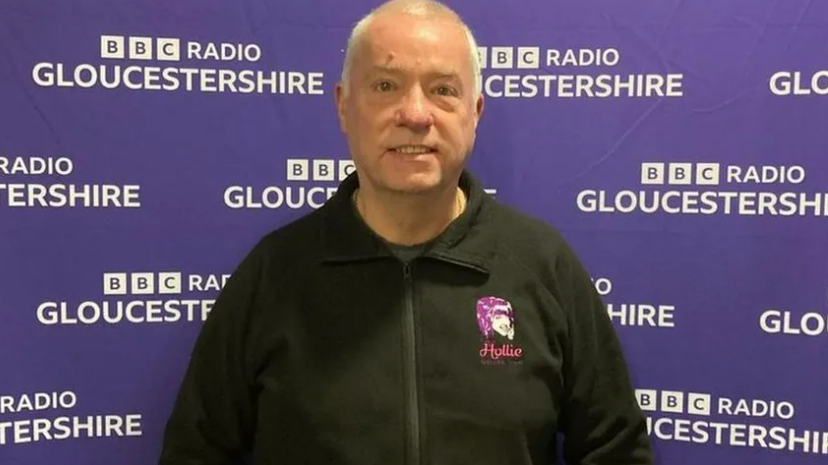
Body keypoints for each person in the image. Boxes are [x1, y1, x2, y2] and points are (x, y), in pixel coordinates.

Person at [158, 0, 653, 464]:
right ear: (343, 107)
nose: (415, 114)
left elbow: (615, 450)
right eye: (385, 86)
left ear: (474, 112)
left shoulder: (543, 265)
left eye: (442, 89)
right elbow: (196, 452)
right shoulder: (274, 274)